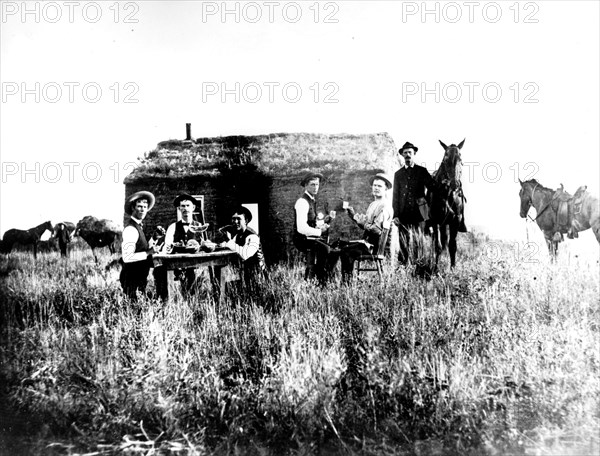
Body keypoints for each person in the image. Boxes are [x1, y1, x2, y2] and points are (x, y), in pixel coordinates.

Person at [154, 193, 212, 299]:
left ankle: (192, 302)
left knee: (193, 292)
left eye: (188, 205)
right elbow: (166, 247)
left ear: (193, 207)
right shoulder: (173, 227)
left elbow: (205, 245)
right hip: (176, 265)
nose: (185, 209)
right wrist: (171, 247)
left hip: (195, 265)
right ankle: (167, 301)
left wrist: (202, 246)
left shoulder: (200, 226)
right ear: (179, 208)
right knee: (160, 273)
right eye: (183, 206)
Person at [339, 173, 393, 283]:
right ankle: (329, 279)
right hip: (367, 243)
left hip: (373, 247)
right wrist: (353, 216)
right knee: (339, 244)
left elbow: (376, 230)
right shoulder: (373, 204)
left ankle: (346, 284)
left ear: (386, 188)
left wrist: (363, 223)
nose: (376, 188)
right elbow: (367, 224)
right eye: (374, 185)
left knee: (346, 251)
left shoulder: (384, 206)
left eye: (379, 186)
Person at [392, 142, 437, 265]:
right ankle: (403, 267)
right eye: (405, 153)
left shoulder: (421, 171)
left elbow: (433, 187)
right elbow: (395, 196)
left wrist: (439, 180)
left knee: (418, 241)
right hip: (403, 214)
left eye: (410, 152)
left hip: (419, 214)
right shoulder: (398, 174)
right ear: (402, 155)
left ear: (414, 154)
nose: (407, 155)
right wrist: (395, 214)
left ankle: (419, 266)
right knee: (403, 242)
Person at [292, 172, 335, 285]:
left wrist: (323, 223)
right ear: (306, 185)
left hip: (309, 237)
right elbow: (301, 228)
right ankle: (319, 281)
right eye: (312, 184)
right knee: (326, 249)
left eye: (317, 184)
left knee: (332, 250)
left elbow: (312, 222)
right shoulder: (302, 202)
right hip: (301, 239)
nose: (316, 187)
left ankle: (323, 279)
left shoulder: (311, 200)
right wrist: (319, 231)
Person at [120, 190, 160, 301]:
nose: (142, 209)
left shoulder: (139, 227)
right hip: (131, 277)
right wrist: (148, 253)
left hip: (140, 276)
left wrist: (155, 238)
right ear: (133, 208)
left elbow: (141, 247)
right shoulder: (130, 229)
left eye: (145, 207)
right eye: (139, 206)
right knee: (133, 307)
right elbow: (127, 257)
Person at [219, 206, 267, 292]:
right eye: (233, 219)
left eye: (238, 219)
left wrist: (228, 241)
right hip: (244, 276)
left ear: (246, 221)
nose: (235, 222)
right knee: (223, 286)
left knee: (227, 288)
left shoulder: (252, 236)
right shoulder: (238, 236)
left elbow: (245, 255)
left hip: (257, 278)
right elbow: (230, 247)